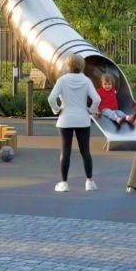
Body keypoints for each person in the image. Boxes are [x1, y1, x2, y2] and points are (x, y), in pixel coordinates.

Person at [47, 55, 100, 192]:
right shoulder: (86, 80)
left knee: (66, 151)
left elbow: (51, 98)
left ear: (67, 66)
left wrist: (57, 110)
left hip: (65, 119)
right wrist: (90, 110)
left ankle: (64, 183)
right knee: (85, 151)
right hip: (83, 119)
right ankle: (89, 182)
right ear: (82, 66)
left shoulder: (62, 80)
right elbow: (97, 99)